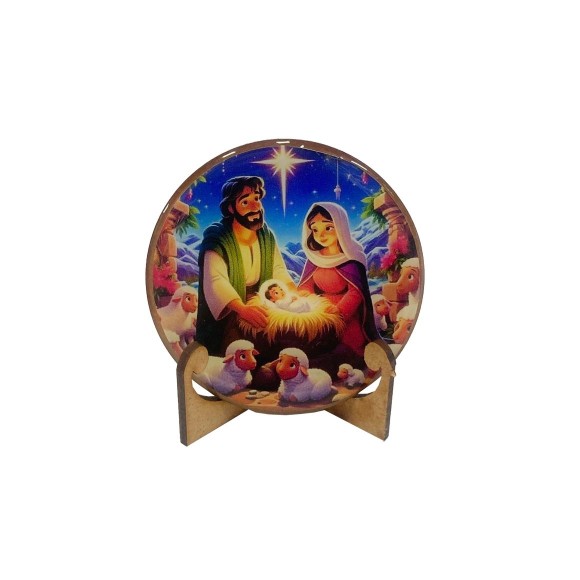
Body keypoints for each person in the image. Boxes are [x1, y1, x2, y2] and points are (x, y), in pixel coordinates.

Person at [196, 176, 296, 355]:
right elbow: (216, 280)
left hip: (262, 302)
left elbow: (278, 269)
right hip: (231, 310)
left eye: (256, 199)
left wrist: (292, 291)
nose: (255, 206)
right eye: (245, 202)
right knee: (236, 348)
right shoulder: (217, 238)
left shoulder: (266, 235)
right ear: (231, 208)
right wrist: (242, 309)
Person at [298, 202, 378, 363]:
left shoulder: (351, 258)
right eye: (315, 230)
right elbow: (306, 286)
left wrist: (337, 313)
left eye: (328, 228)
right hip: (319, 312)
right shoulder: (314, 258)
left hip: (345, 316)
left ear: (340, 227)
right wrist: (312, 304)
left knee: (344, 351)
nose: (321, 235)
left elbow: (355, 291)